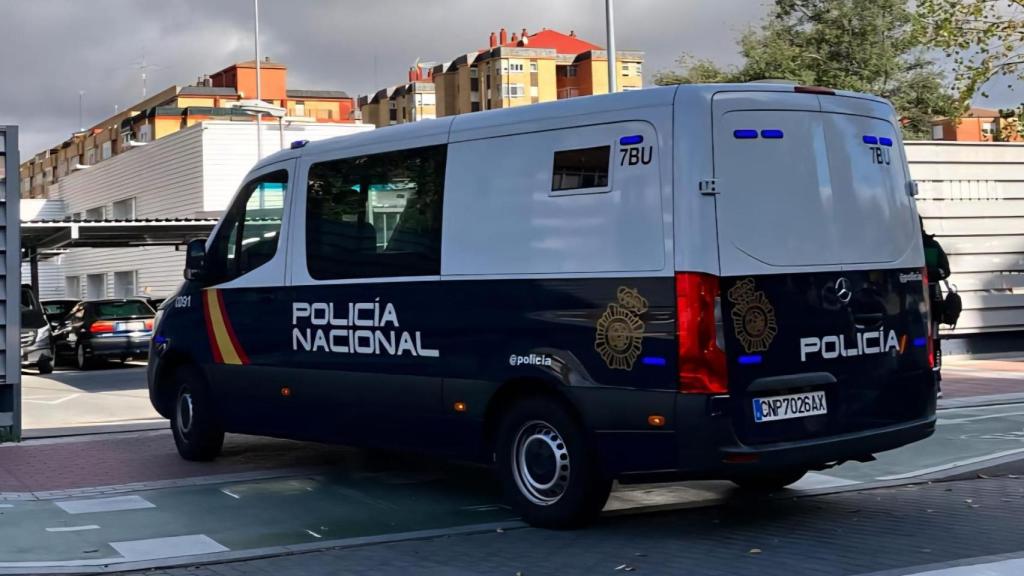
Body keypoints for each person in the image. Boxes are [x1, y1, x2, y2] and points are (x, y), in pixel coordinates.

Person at [921, 218, 952, 398]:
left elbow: (945, 270)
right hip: (911, 300)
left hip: (931, 298)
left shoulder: (931, 245)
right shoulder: (899, 244)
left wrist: (928, 272)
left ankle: (935, 380)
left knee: (933, 341)